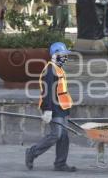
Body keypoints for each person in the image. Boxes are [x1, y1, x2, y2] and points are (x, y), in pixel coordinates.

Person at [25, 42, 76, 172]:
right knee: (56, 135)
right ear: (54, 55)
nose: (65, 57)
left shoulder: (58, 68)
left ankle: (60, 164)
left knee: (63, 136)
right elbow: (47, 92)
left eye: (65, 55)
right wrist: (47, 110)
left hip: (62, 107)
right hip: (53, 107)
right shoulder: (50, 70)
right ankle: (32, 152)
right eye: (62, 55)